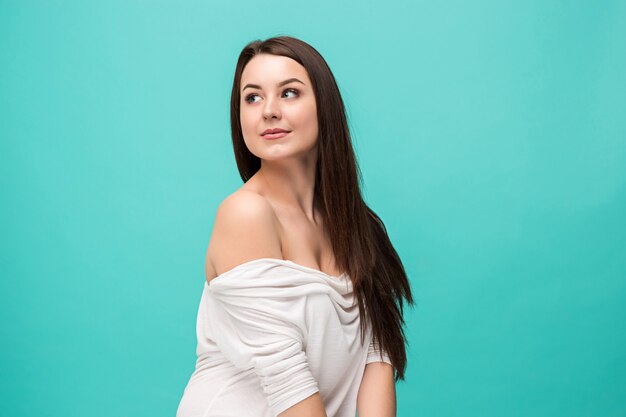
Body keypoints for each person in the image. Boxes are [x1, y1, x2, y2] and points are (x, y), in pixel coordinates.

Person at [176, 35, 414, 417]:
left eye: (289, 93)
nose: (268, 111)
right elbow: (287, 380)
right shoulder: (246, 215)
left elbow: (378, 357)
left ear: (326, 106)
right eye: (252, 97)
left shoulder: (358, 226)